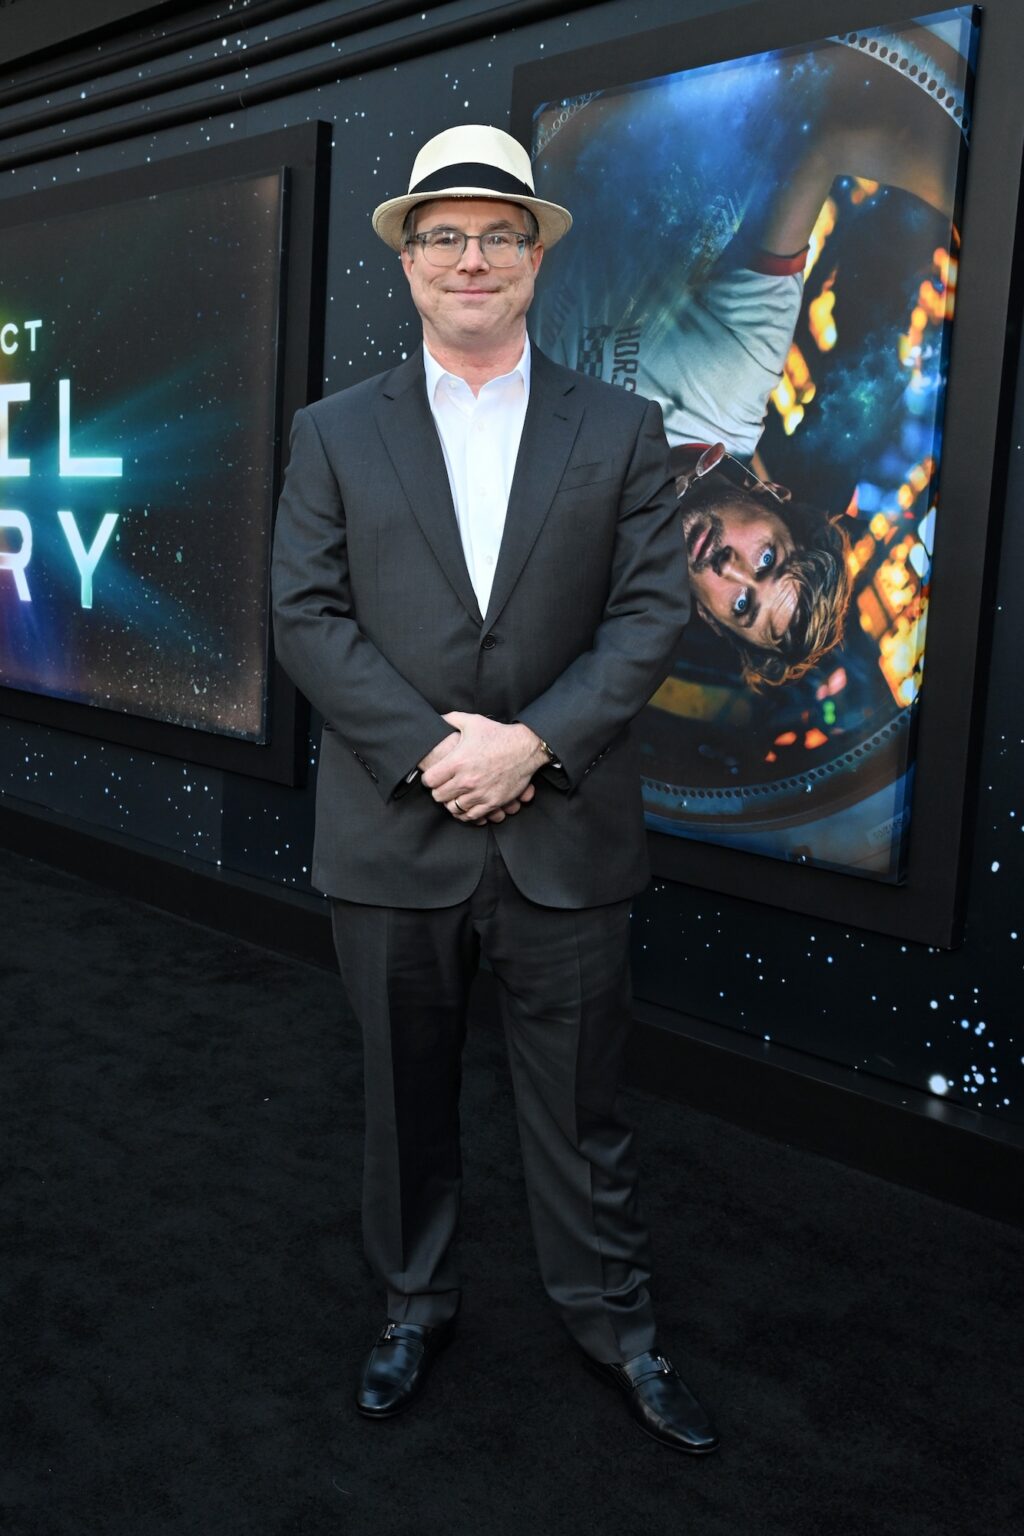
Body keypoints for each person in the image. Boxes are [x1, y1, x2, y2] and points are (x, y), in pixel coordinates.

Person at [271, 124, 719, 1454]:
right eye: (444, 235)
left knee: (585, 1111)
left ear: (536, 256)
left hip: (565, 833)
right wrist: (432, 752)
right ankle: (413, 1302)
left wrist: (530, 745)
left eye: (499, 234)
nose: (473, 258)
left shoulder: (626, 427)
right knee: (402, 1104)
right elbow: (303, 614)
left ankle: (617, 1328)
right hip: (393, 831)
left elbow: (649, 616)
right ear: (409, 261)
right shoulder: (334, 432)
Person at [540, 21, 968, 687]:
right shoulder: (741, 370)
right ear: (775, 504)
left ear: (711, 619)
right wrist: (982, 181)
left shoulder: (585, 544)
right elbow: (824, 146)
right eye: (767, 558)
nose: (730, 569)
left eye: (743, 604)